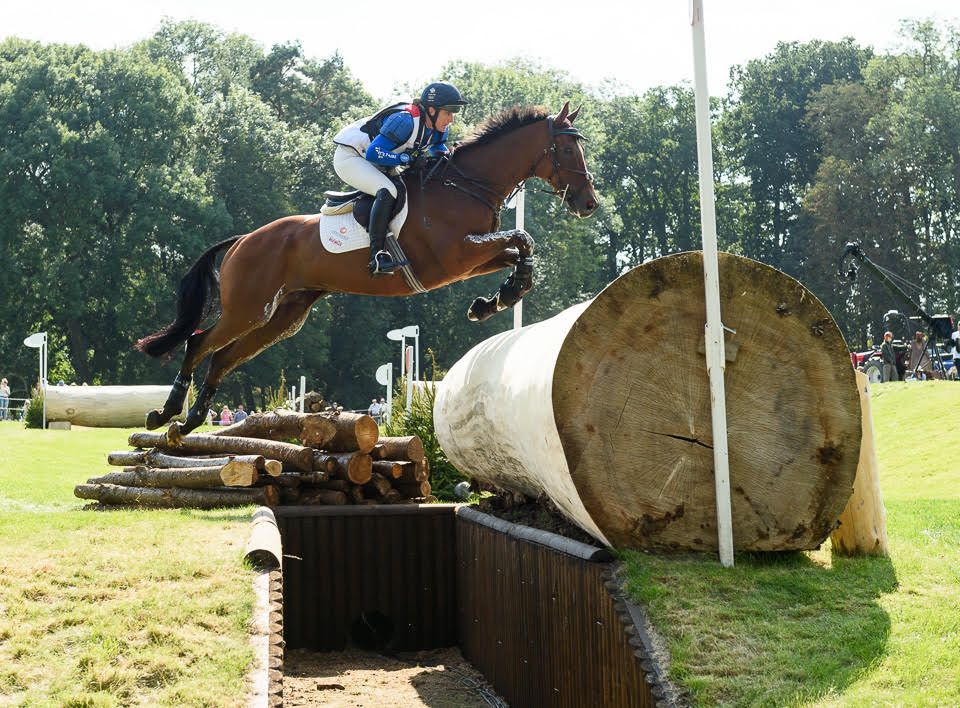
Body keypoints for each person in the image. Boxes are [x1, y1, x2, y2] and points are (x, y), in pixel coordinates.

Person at [332, 81, 468, 276]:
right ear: (432, 110)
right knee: (388, 191)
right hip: (352, 157)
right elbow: (374, 152)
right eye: (448, 112)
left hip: (380, 161)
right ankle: (377, 255)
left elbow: (438, 149)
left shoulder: (439, 127)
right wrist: (405, 158)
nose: (451, 119)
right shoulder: (405, 120)